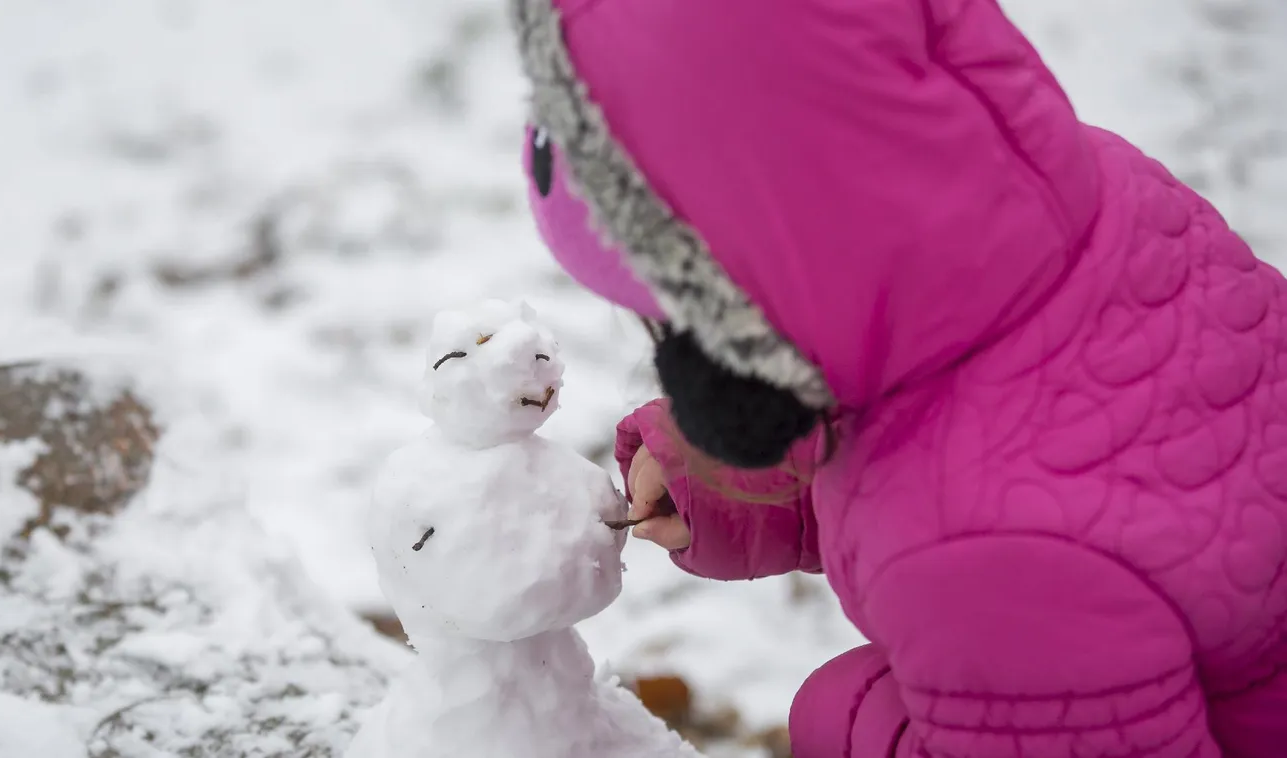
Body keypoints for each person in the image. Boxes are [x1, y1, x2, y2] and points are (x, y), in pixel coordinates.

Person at [508, 0, 1287, 755]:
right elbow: (1063, 467)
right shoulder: (1094, 198)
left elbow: (1004, 535)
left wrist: (849, 726)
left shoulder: (980, 572)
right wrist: (736, 479)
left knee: (842, 700)